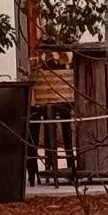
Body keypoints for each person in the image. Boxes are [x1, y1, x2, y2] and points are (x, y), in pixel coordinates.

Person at [27, 47, 76, 184]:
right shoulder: (58, 61)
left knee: (38, 132)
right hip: (46, 102)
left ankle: (43, 170)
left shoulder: (61, 59)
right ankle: (55, 166)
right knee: (37, 132)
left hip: (50, 101)